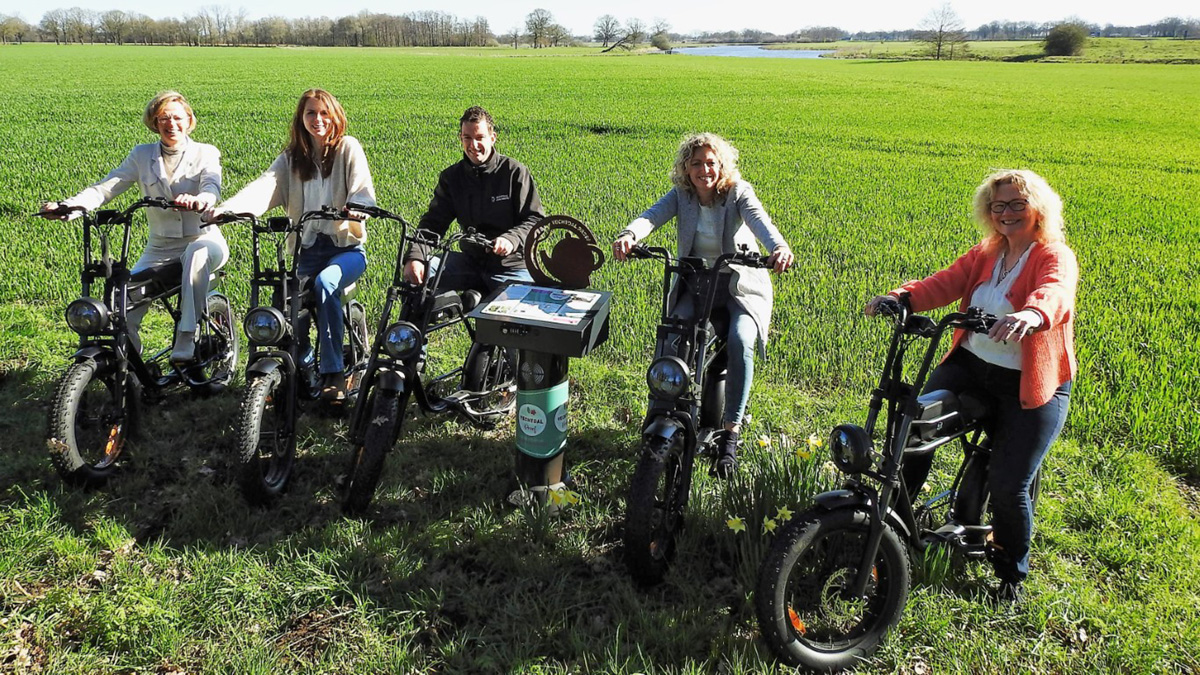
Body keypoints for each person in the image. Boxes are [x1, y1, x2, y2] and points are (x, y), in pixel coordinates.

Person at [864, 168, 1078, 603]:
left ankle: (1011, 576)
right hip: (971, 367)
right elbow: (945, 282)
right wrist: (901, 298)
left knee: (1008, 482)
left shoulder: (1053, 255)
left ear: (1038, 208)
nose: (1008, 213)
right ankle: (893, 529)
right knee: (911, 429)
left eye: (1018, 204)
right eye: (999, 206)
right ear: (989, 211)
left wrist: (1031, 315)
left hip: (1031, 385)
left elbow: (1055, 292)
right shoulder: (986, 253)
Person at [612, 132, 794, 479]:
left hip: (738, 287)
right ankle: (660, 410)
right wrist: (629, 236)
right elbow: (652, 215)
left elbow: (760, 221)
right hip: (697, 286)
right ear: (686, 167)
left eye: (711, 162)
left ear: (721, 166)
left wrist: (779, 248)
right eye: (696, 163)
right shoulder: (682, 196)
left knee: (741, 342)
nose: (704, 170)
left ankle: (731, 432)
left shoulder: (738, 193)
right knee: (671, 335)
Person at [210, 88, 376, 401]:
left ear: (335, 116)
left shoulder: (347, 148)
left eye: (324, 113)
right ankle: (297, 366)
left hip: (346, 250)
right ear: (301, 118)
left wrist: (358, 206)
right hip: (307, 250)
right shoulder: (291, 159)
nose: (318, 119)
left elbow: (363, 189)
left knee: (326, 283)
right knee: (283, 298)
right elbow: (263, 187)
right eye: (311, 113)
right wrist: (226, 210)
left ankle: (333, 373)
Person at [43, 90, 227, 363]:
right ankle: (130, 366)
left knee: (197, 253)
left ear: (189, 120)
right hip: (160, 247)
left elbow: (212, 186)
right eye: (163, 118)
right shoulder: (142, 155)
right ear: (154, 122)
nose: (171, 124)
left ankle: (187, 335)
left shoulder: (206, 153)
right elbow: (107, 187)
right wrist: (69, 207)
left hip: (203, 238)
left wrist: (200, 200)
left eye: (177, 117)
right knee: (121, 301)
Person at [402, 106, 545, 293]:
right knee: (417, 276)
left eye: (480, 138)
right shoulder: (452, 177)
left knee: (514, 313)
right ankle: (407, 323)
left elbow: (536, 220)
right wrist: (416, 256)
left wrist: (511, 239)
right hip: (469, 262)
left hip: (511, 266)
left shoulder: (514, 172)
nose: (473, 145)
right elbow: (433, 223)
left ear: (492, 138)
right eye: (467, 138)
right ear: (460, 138)